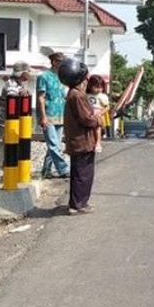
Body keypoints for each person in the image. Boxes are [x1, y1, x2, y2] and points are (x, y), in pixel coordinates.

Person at [59, 58, 102, 215]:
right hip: (82, 141)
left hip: (78, 140)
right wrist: (98, 118)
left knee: (79, 173)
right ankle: (79, 204)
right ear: (79, 80)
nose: (86, 82)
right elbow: (86, 119)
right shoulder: (77, 96)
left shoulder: (73, 94)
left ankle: (76, 203)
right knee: (83, 174)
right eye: (85, 79)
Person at [36, 52, 70, 179]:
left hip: (61, 114)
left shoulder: (62, 78)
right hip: (48, 114)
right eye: (61, 61)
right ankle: (63, 169)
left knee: (55, 145)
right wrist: (43, 116)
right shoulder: (44, 77)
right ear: (54, 62)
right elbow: (41, 98)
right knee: (53, 144)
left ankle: (46, 170)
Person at [0, 61, 31, 133]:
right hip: (9, 122)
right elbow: (12, 96)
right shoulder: (11, 84)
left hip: (16, 121)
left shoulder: (20, 84)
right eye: (27, 72)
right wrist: (21, 94)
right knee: (11, 143)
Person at [86, 75, 109, 153]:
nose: (98, 89)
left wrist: (100, 113)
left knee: (97, 129)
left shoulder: (102, 96)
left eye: (100, 87)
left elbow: (107, 107)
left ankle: (98, 143)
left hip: (97, 114)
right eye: (96, 87)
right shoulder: (86, 95)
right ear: (90, 86)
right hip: (88, 114)